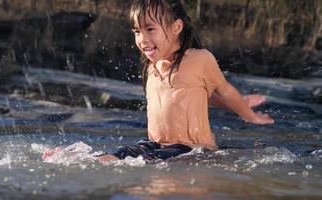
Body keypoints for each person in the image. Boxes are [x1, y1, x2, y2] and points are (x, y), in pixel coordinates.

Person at [43, 0, 274, 162]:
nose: (142, 39)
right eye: (136, 31)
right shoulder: (153, 67)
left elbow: (224, 90)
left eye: (150, 29)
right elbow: (192, 97)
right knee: (125, 154)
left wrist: (247, 113)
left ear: (176, 27)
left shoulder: (199, 59)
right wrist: (233, 102)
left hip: (192, 150)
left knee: (142, 161)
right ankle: (85, 159)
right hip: (156, 144)